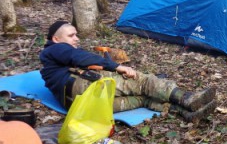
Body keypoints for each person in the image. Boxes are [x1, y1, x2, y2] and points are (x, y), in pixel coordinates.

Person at [40, 20, 216, 122]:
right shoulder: (55, 49)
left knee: (142, 99)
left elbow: (80, 61)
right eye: (71, 35)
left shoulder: (53, 59)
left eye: (76, 35)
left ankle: (185, 112)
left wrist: (106, 63)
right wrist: (118, 66)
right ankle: (187, 98)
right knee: (142, 81)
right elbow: (78, 58)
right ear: (56, 38)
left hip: (80, 107)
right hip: (82, 89)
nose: (76, 39)